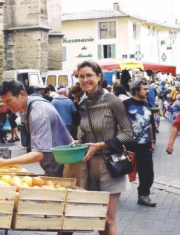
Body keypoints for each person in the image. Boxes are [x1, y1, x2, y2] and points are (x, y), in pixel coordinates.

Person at [68, 61, 133, 235]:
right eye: (81, 76)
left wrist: (99, 145)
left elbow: (128, 134)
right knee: (98, 218)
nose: (85, 79)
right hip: (90, 166)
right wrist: (80, 141)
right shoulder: (83, 102)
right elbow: (88, 133)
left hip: (110, 165)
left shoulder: (112, 100)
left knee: (108, 220)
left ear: (99, 76)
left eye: (89, 75)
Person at [0, 79, 73, 178]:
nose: (6, 106)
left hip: (64, 168)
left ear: (22, 94)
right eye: (4, 102)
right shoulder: (28, 107)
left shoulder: (39, 112)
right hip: (55, 166)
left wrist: (6, 162)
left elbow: (39, 154)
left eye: (9, 101)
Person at [123, 80, 156, 207]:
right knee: (123, 170)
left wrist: (152, 141)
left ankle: (143, 195)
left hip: (145, 144)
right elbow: (120, 123)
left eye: (148, 89)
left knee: (147, 172)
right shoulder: (126, 103)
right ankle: (114, 192)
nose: (148, 91)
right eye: (145, 89)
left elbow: (150, 124)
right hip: (130, 144)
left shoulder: (146, 103)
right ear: (136, 91)